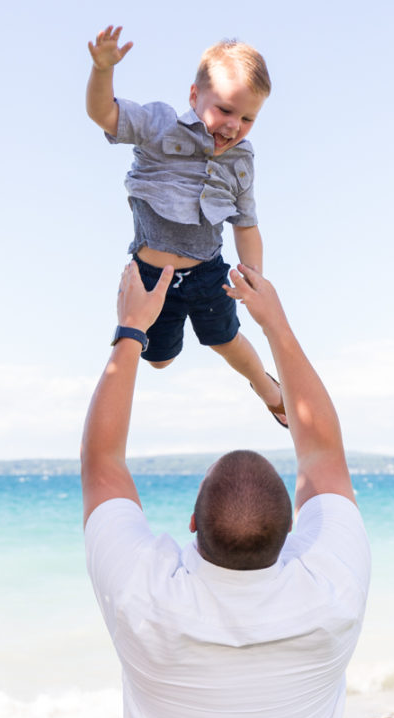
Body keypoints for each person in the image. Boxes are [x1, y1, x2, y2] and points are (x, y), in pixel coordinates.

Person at [81, 261, 371, 718]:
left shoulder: (145, 596)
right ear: (294, 530)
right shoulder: (331, 594)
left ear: (190, 523)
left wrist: (132, 330)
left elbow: (103, 465)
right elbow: (322, 455)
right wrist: (276, 328)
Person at [87, 25, 287, 428]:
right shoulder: (158, 125)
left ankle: (268, 389)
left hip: (207, 272)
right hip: (151, 276)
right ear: (194, 96)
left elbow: (245, 224)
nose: (234, 125)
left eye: (248, 118)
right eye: (226, 110)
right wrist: (102, 70)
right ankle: (166, 342)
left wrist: (254, 281)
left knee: (225, 340)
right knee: (159, 360)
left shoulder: (241, 159)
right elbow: (103, 113)